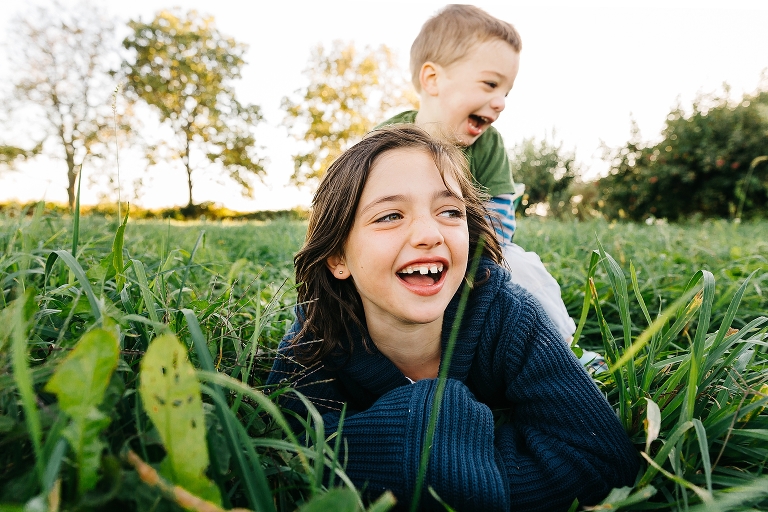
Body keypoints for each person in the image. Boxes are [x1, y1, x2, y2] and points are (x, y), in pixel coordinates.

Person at [266, 125, 639, 511]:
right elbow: (282, 453)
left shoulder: (510, 317)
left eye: (449, 211)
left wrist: (462, 468)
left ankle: (581, 357)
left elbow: (602, 462)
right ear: (338, 258)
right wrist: (424, 423)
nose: (429, 234)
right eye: (390, 215)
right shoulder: (316, 337)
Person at [377, 5, 606, 372]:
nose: (500, 102)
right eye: (490, 84)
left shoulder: (488, 145)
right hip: (404, 252)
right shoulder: (385, 144)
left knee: (522, 266)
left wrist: (465, 251)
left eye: (506, 91)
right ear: (433, 79)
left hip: (476, 251)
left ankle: (567, 353)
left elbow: (499, 218)